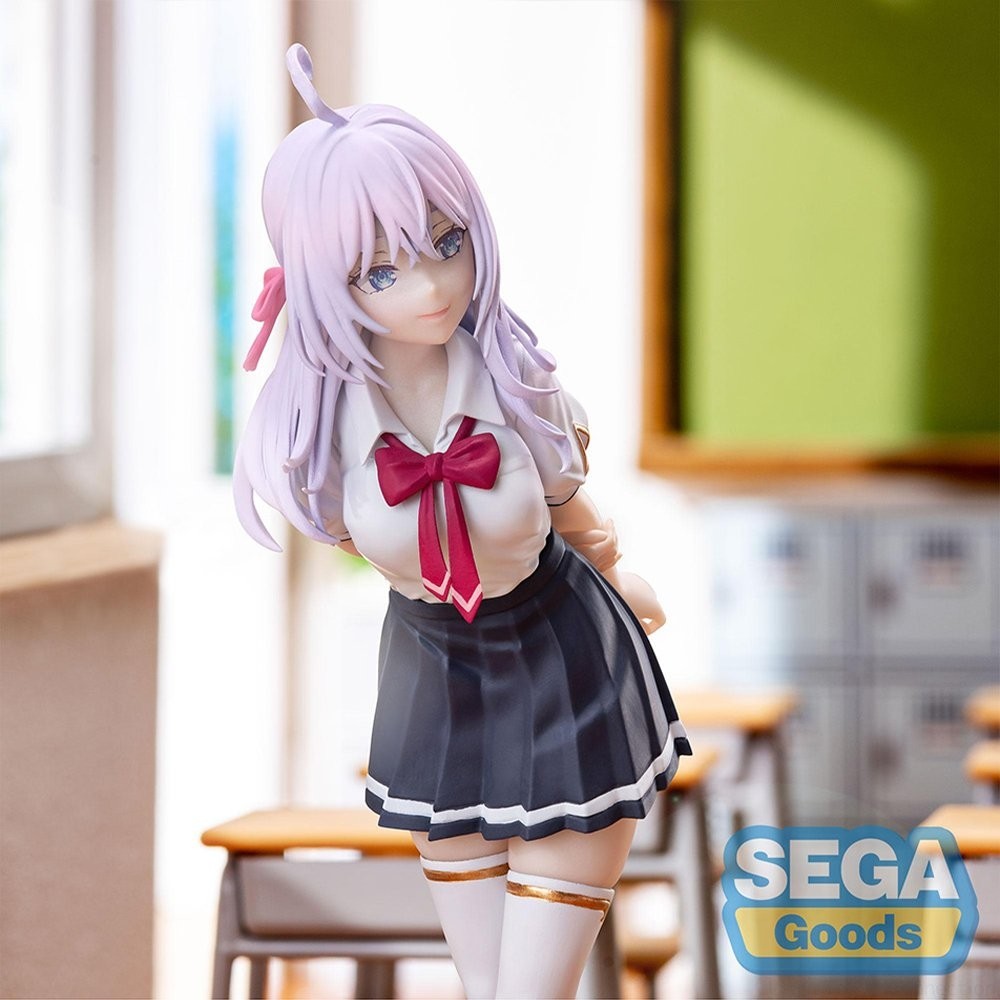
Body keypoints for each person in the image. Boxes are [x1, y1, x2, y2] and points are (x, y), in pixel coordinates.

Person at [235, 43, 692, 1000]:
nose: (435, 286)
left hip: (562, 657)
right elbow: (345, 533)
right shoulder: (319, 434)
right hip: (432, 679)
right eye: (382, 272)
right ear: (320, 281)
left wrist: (619, 580)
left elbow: (570, 507)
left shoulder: (516, 381)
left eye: (449, 242)